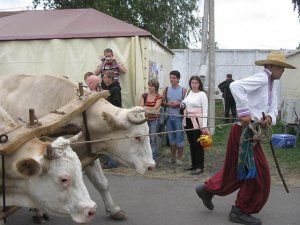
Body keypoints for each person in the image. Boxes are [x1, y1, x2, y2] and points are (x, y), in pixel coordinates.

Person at [195, 52, 296, 225]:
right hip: (243, 132)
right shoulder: (263, 79)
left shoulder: (272, 85)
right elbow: (235, 86)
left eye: (283, 68)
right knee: (258, 173)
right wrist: (244, 112)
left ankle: (207, 189)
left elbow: (273, 109)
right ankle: (240, 210)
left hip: (251, 133)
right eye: (280, 67)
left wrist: (269, 118)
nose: (282, 71)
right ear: (270, 66)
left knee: (237, 171)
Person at [181, 76, 209, 175]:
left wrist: (204, 126)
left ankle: (199, 166)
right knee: (191, 143)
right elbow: (184, 101)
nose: (194, 85)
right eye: (192, 83)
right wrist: (182, 104)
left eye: (196, 83)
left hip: (197, 121)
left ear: (199, 84)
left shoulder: (202, 95)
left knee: (198, 144)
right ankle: (193, 164)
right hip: (188, 120)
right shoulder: (189, 92)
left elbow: (205, 111)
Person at [161, 70, 187, 165]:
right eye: (170, 78)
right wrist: (169, 104)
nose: (171, 80)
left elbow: (186, 103)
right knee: (171, 138)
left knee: (180, 138)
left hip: (179, 117)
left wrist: (179, 104)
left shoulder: (183, 90)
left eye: (174, 78)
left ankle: (179, 159)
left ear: (178, 79)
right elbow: (162, 102)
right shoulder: (167, 89)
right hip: (169, 117)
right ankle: (172, 158)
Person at [140, 79, 162, 161]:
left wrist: (146, 108)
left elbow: (156, 108)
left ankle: (153, 157)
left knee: (153, 139)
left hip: (153, 121)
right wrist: (150, 109)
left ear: (156, 87)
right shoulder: (144, 95)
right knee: (144, 138)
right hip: (144, 120)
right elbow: (141, 107)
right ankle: (144, 157)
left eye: (152, 86)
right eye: (149, 85)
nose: (149, 87)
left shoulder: (159, 97)